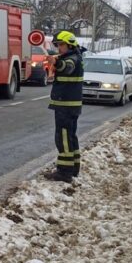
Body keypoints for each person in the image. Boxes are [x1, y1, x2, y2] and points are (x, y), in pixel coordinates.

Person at [46, 30, 84, 183]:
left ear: (70, 44)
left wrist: (56, 62)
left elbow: (66, 67)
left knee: (63, 139)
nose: (58, 48)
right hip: (69, 105)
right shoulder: (75, 57)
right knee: (71, 137)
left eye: (61, 45)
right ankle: (73, 168)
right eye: (57, 45)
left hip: (66, 106)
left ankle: (64, 172)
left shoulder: (72, 59)